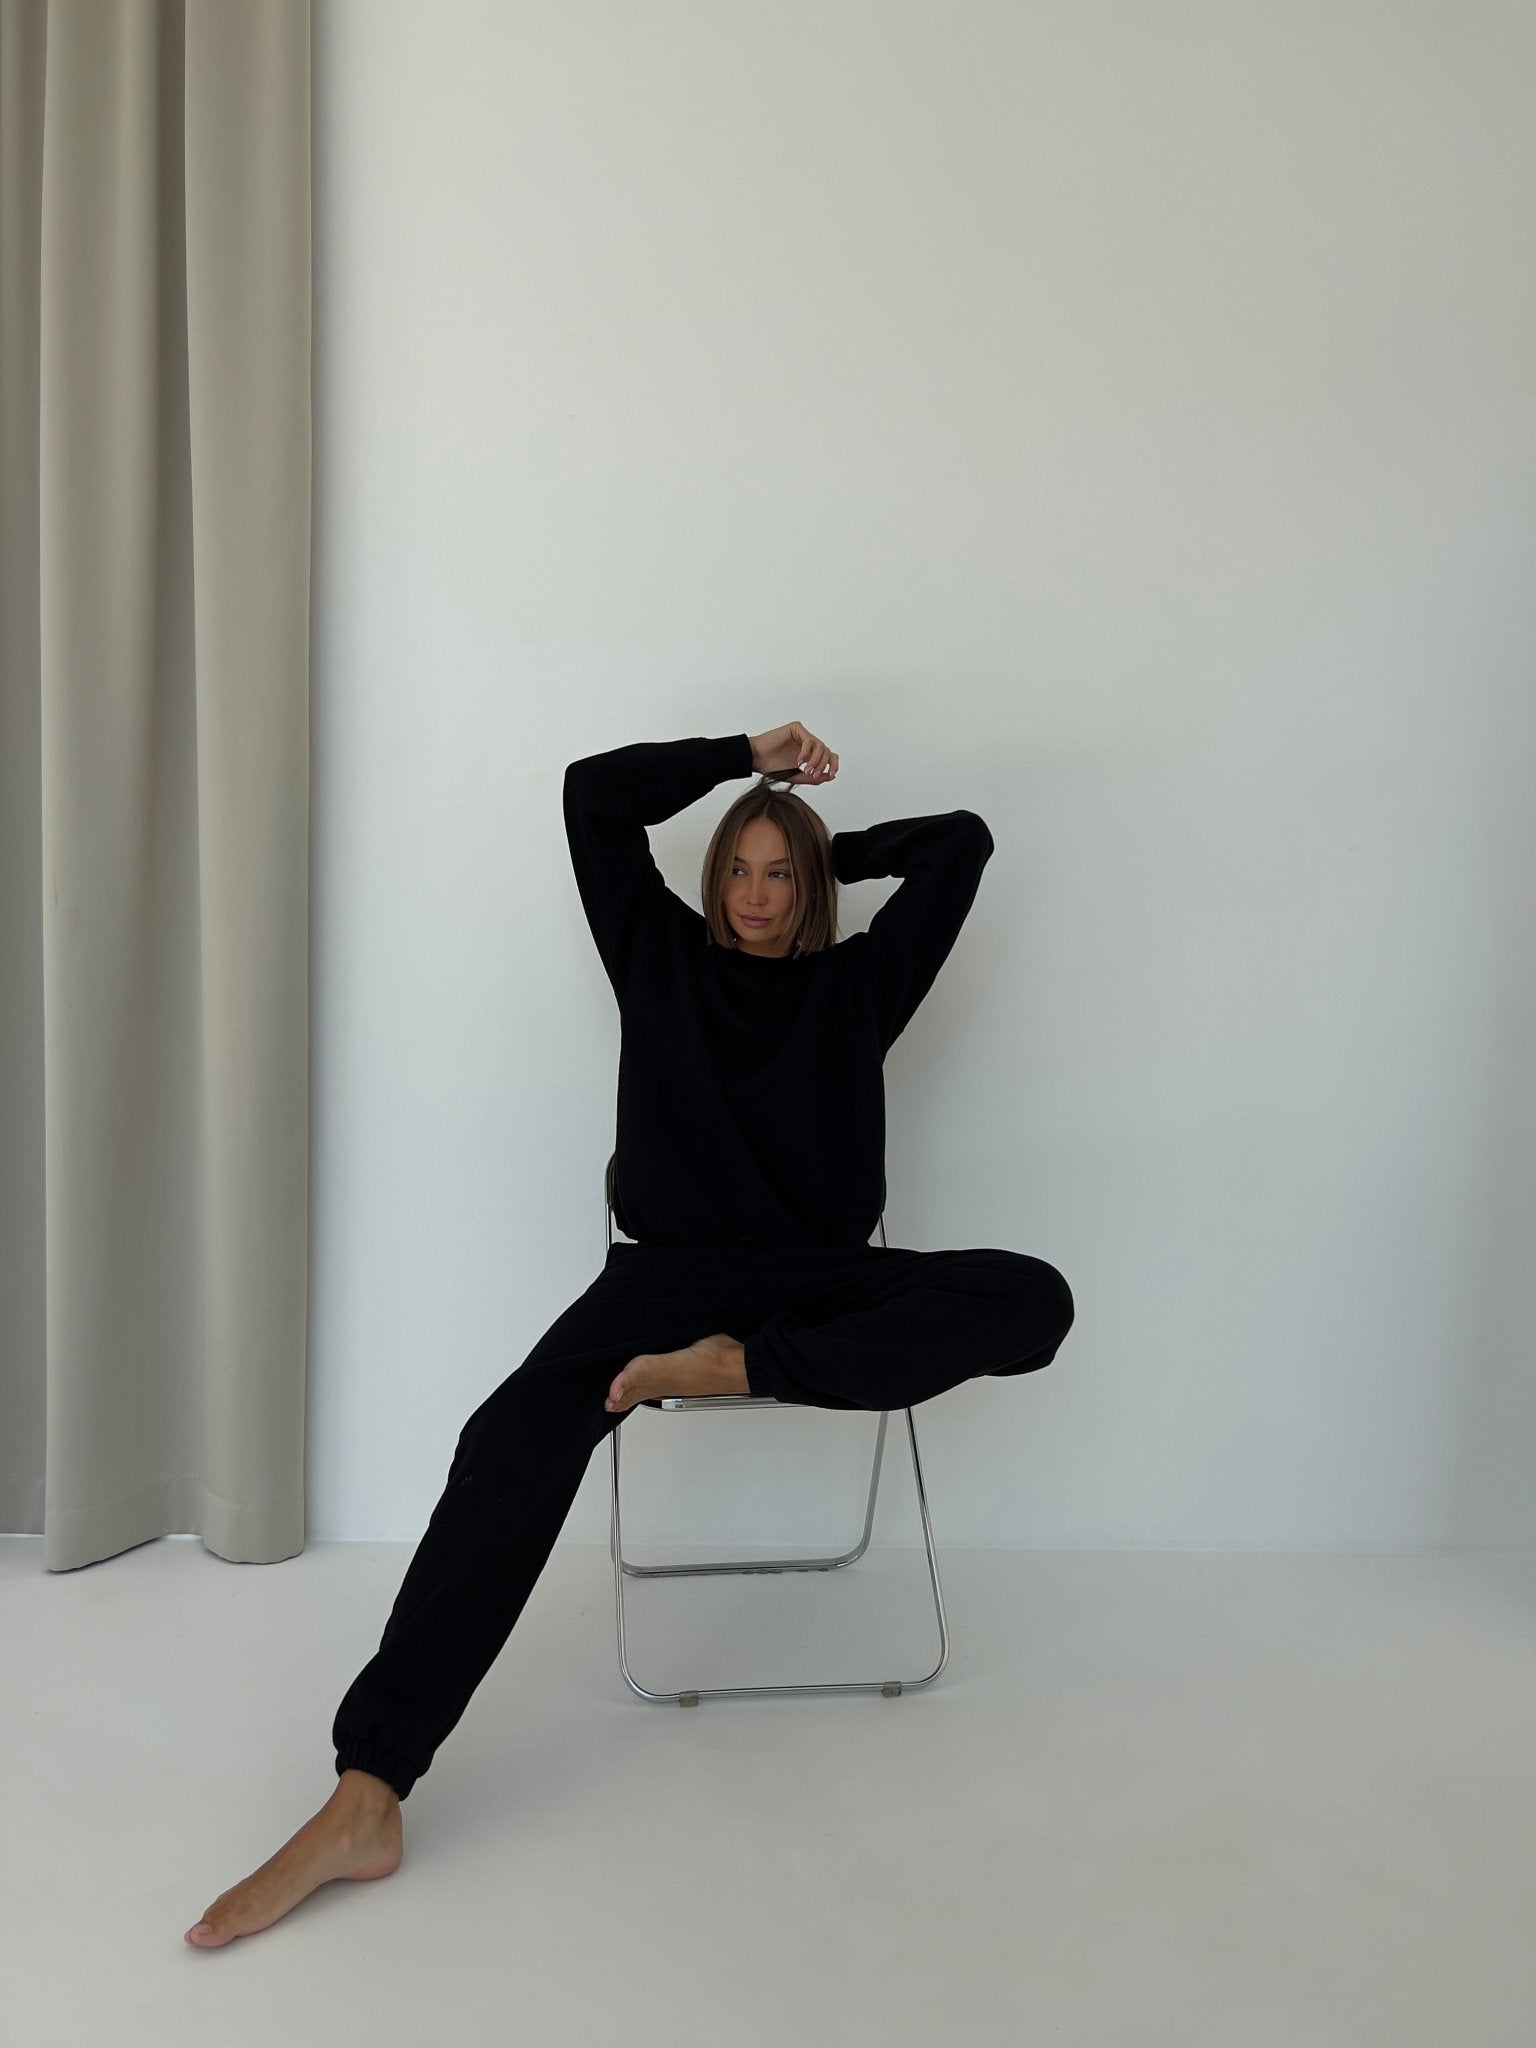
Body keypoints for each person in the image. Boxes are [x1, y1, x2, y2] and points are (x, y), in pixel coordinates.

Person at [183, 720, 1074, 1948]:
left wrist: (831, 845)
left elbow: (961, 844)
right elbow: (591, 796)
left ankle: (746, 1365)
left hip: (819, 1281)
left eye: (782, 874)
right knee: (504, 1441)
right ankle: (368, 1791)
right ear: (711, 878)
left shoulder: (860, 985)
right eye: (740, 869)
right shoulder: (655, 952)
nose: (756, 894)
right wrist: (745, 753)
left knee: (1034, 1297)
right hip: (659, 1284)